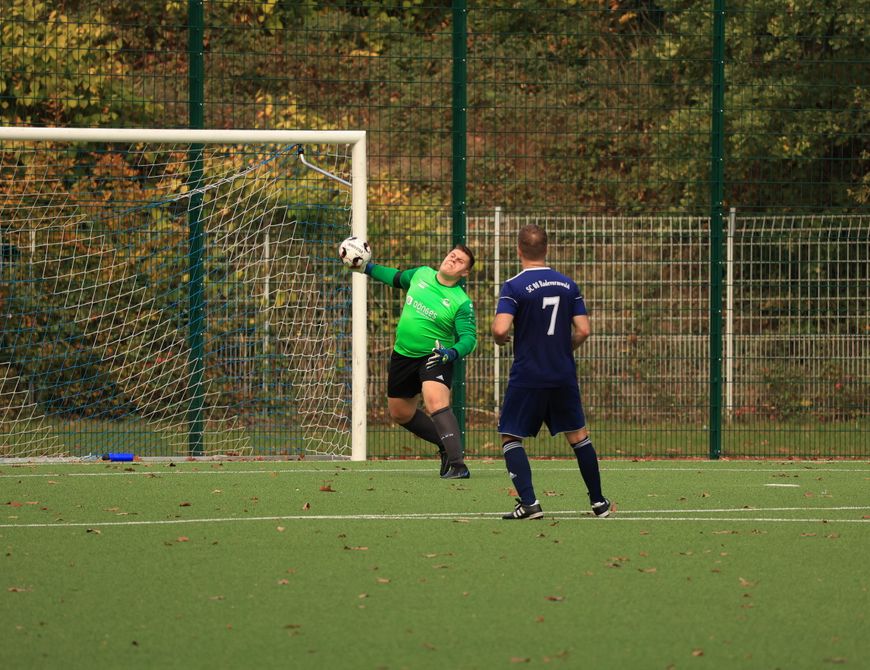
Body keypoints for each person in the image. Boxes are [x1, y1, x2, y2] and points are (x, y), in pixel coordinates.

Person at [491, 224, 610, 519]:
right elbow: (583, 330)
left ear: (519, 249)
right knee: (579, 436)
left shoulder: (514, 286)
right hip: (562, 374)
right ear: (547, 248)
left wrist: (500, 338)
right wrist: (561, 347)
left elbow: (500, 328)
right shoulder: (568, 285)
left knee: (510, 436)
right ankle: (599, 503)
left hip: (528, 374)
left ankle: (530, 504)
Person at [351, 244, 477, 479]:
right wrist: (365, 267)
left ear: (465, 273)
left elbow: (470, 338)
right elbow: (396, 277)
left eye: (460, 261)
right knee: (400, 413)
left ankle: (459, 465)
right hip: (403, 355)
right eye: (452, 255)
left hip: (436, 355)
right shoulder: (421, 274)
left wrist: (452, 353)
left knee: (435, 401)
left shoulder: (461, 302)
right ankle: (445, 445)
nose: (452, 260)